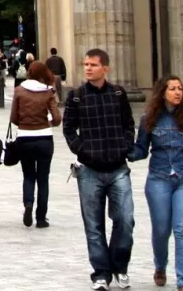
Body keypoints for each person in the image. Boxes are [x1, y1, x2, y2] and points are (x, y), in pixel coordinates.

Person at [62, 48, 135, 291]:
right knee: (93, 225)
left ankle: (119, 265)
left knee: (125, 220)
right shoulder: (76, 96)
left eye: (93, 64)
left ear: (105, 68)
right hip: (90, 170)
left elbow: (128, 124)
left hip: (117, 168)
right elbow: (68, 129)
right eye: (86, 64)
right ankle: (101, 273)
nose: (88, 68)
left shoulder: (118, 93)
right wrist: (81, 149)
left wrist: (124, 146)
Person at [131, 76, 183, 291]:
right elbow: (141, 150)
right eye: (172, 88)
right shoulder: (149, 120)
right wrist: (124, 152)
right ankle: (160, 266)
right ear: (162, 92)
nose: (177, 92)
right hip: (159, 179)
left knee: (182, 229)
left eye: (180, 88)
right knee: (162, 230)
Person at [10, 59, 61, 228]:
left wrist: (26, 123)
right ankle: (41, 218)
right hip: (44, 138)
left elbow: (13, 118)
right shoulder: (48, 92)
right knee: (43, 178)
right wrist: (47, 122)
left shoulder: (19, 90)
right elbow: (57, 118)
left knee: (28, 175)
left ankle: (28, 203)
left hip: (24, 137)